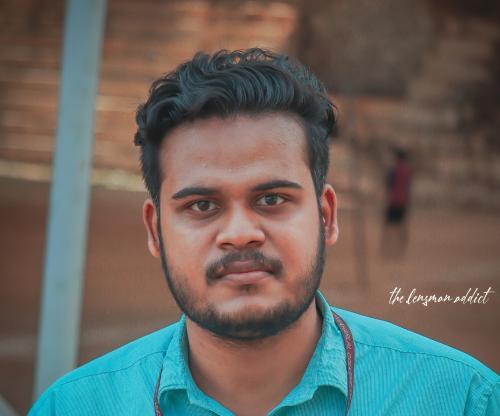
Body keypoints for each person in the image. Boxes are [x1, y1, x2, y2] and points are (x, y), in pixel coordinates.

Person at [30, 48, 498, 415]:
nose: (239, 234)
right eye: (202, 205)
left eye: (272, 199)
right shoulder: (69, 407)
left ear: (326, 216)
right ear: (155, 230)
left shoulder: (465, 400)